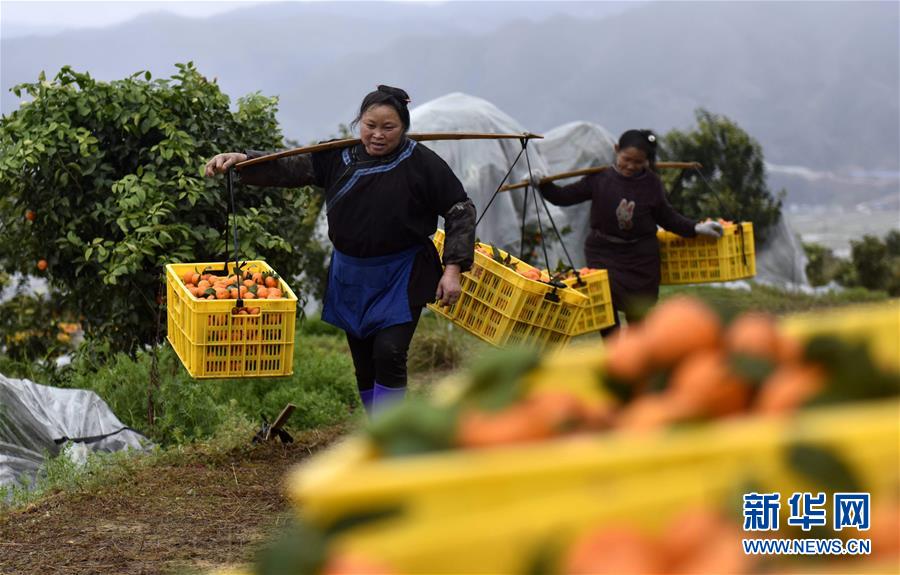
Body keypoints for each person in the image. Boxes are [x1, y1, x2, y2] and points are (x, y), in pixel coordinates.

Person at [204, 85, 476, 414]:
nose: (377, 135)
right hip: (351, 274)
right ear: (358, 122)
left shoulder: (420, 163)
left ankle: (388, 436)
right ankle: (378, 429)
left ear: (404, 127)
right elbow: (288, 167)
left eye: (388, 127)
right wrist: (243, 160)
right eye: (369, 125)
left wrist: (452, 269)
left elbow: (459, 208)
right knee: (363, 360)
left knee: (389, 352)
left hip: (402, 274)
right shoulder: (337, 157)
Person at [532, 129, 723, 336]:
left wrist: (695, 228)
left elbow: (667, 218)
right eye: (626, 159)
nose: (631, 166)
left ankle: (637, 357)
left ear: (647, 161)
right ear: (616, 151)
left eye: (638, 162)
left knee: (639, 319)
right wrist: (543, 184)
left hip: (641, 259)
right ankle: (616, 356)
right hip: (603, 255)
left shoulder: (651, 184)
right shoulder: (600, 179)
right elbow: (563, 197)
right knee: (605, 310)